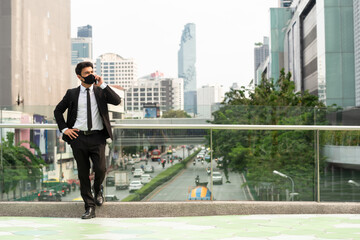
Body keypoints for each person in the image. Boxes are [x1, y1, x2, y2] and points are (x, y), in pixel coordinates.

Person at [54, 61, 121, 219]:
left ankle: (98, 189)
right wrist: (65, 129)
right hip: (78, 137)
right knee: (83, 174)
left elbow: (117, 101)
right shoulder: (71, 93)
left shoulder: (100, 91)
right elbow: (57, 111)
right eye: (87, 73)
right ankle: (89, 207)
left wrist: (103, 84)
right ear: (79, 76)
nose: (91, 75)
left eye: (92, 71)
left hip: (98, 137)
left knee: (100, 169)